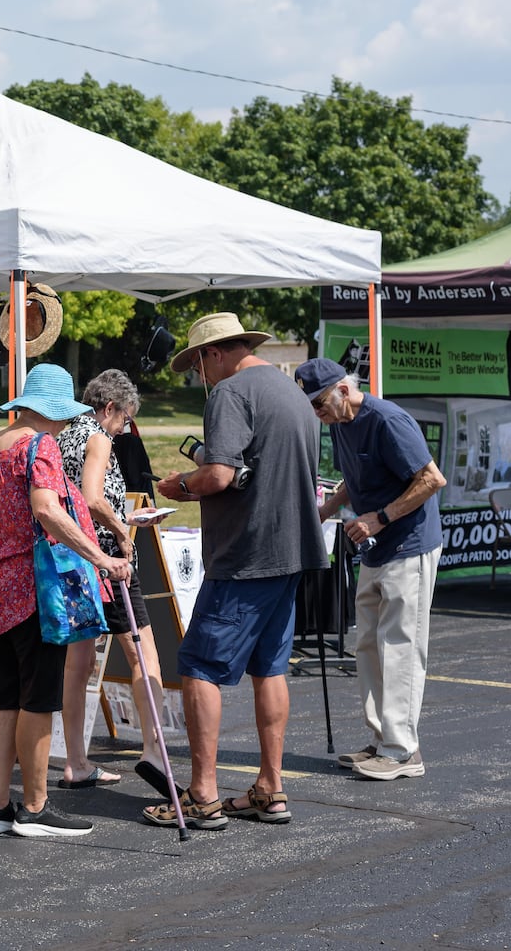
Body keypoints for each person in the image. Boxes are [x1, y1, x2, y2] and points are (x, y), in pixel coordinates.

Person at [155, 314, 327, 828]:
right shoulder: (293, 392)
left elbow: (219, 474)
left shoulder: (229, 394)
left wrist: (180, 484)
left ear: (213, 354)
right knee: (269, 668)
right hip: (292, 550)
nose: (199, 375)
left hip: (246, 555)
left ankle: (202, 794)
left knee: (200, 665)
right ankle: (271, 788)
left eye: (197, 364)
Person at [0, 364, 132, 838]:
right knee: (37, 701)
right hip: (32, 590)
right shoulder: (40, 445)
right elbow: (47, 509)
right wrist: (99, 556)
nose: (65, 425)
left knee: (5, 703)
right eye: (62, 416)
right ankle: (35, 808)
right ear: (51, 412)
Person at [295, 357, 446, 781]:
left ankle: (403, 751)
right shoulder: (342, 423)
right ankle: (382, 740)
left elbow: (432, 479)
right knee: (369, 647)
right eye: (311, 405)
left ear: (343, 390)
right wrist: (325, 510)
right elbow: (351, 476)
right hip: (377, 549)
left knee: (400, 647)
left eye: (320, 403)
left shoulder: (387, 420)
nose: (317, 413)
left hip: (408, 545)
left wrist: (380, 516)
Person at [55, 369, 171, 794]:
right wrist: (123, 530)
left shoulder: (65, 434)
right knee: (145, 656)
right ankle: (153, 749)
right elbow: (91, 496)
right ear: (109, 408)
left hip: (73, 558)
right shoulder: (98, 436)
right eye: (124, 419)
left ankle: (75, 762)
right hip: (107, 560)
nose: (124, 429)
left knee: (77, 664)